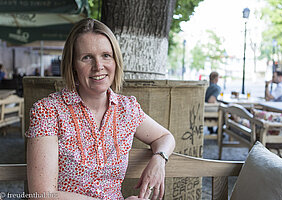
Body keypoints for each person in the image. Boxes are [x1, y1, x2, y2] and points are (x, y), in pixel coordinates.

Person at [26, 18, 175, 200]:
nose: (98, 66)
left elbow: (165, 137)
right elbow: (41, 195)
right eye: (87, 57)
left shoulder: (126, 110)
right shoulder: (48, 111)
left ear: (115, 60)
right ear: (73, 65)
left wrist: (159, 159)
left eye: (106, 55)